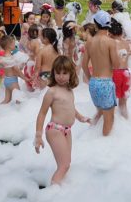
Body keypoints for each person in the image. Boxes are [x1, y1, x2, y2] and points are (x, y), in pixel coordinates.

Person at [34, 56, 91, 185]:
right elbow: (42, 113)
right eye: (57, 72)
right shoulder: (52, 92)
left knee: (66, 163)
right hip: (55, 130)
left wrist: (81, 117)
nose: (60, 76)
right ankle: (53, 191)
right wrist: (38, 135)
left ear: (71, 73)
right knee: (64, 165)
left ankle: (61, 190)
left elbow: (70, 107)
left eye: (64, 73)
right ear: (53, 73)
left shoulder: (69, 91)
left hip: (67, 131)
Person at [82, 11, 118, 136]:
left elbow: (83, 64)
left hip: (94, 83)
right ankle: (104, 145)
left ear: (96, 25)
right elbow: (116, 65)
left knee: (101, 112)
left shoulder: (90, 42)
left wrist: (90, 78)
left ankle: (88, 136)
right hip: (106, 84)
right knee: (109, 119)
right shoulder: (110, 42)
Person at [109, 19, 131, 118]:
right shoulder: (128, 43)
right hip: (126, 74)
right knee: (123, 103)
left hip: (115, 73)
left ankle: (113, 124)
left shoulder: (111, 43)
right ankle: (126, 121)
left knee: (112, 102)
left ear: (111, 33)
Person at [0, 35, 29, 104]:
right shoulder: (11, 58)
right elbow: (17, 71)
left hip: (6, 80)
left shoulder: (2, 57)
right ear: (9, 46)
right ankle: (19, 113)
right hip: (12, 81)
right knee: (19, 100)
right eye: (13, 43)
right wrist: (25, 78)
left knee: (7, 100)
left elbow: (1, 67)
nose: (15, 45)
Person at [23, 24, 41, 89]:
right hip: (34, 66)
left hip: (28, 66)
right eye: (40, 31)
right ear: (36, 33)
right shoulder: (36, 42)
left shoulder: (28, 41)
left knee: (30, 89)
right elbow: (38, 56)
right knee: (36, 88)